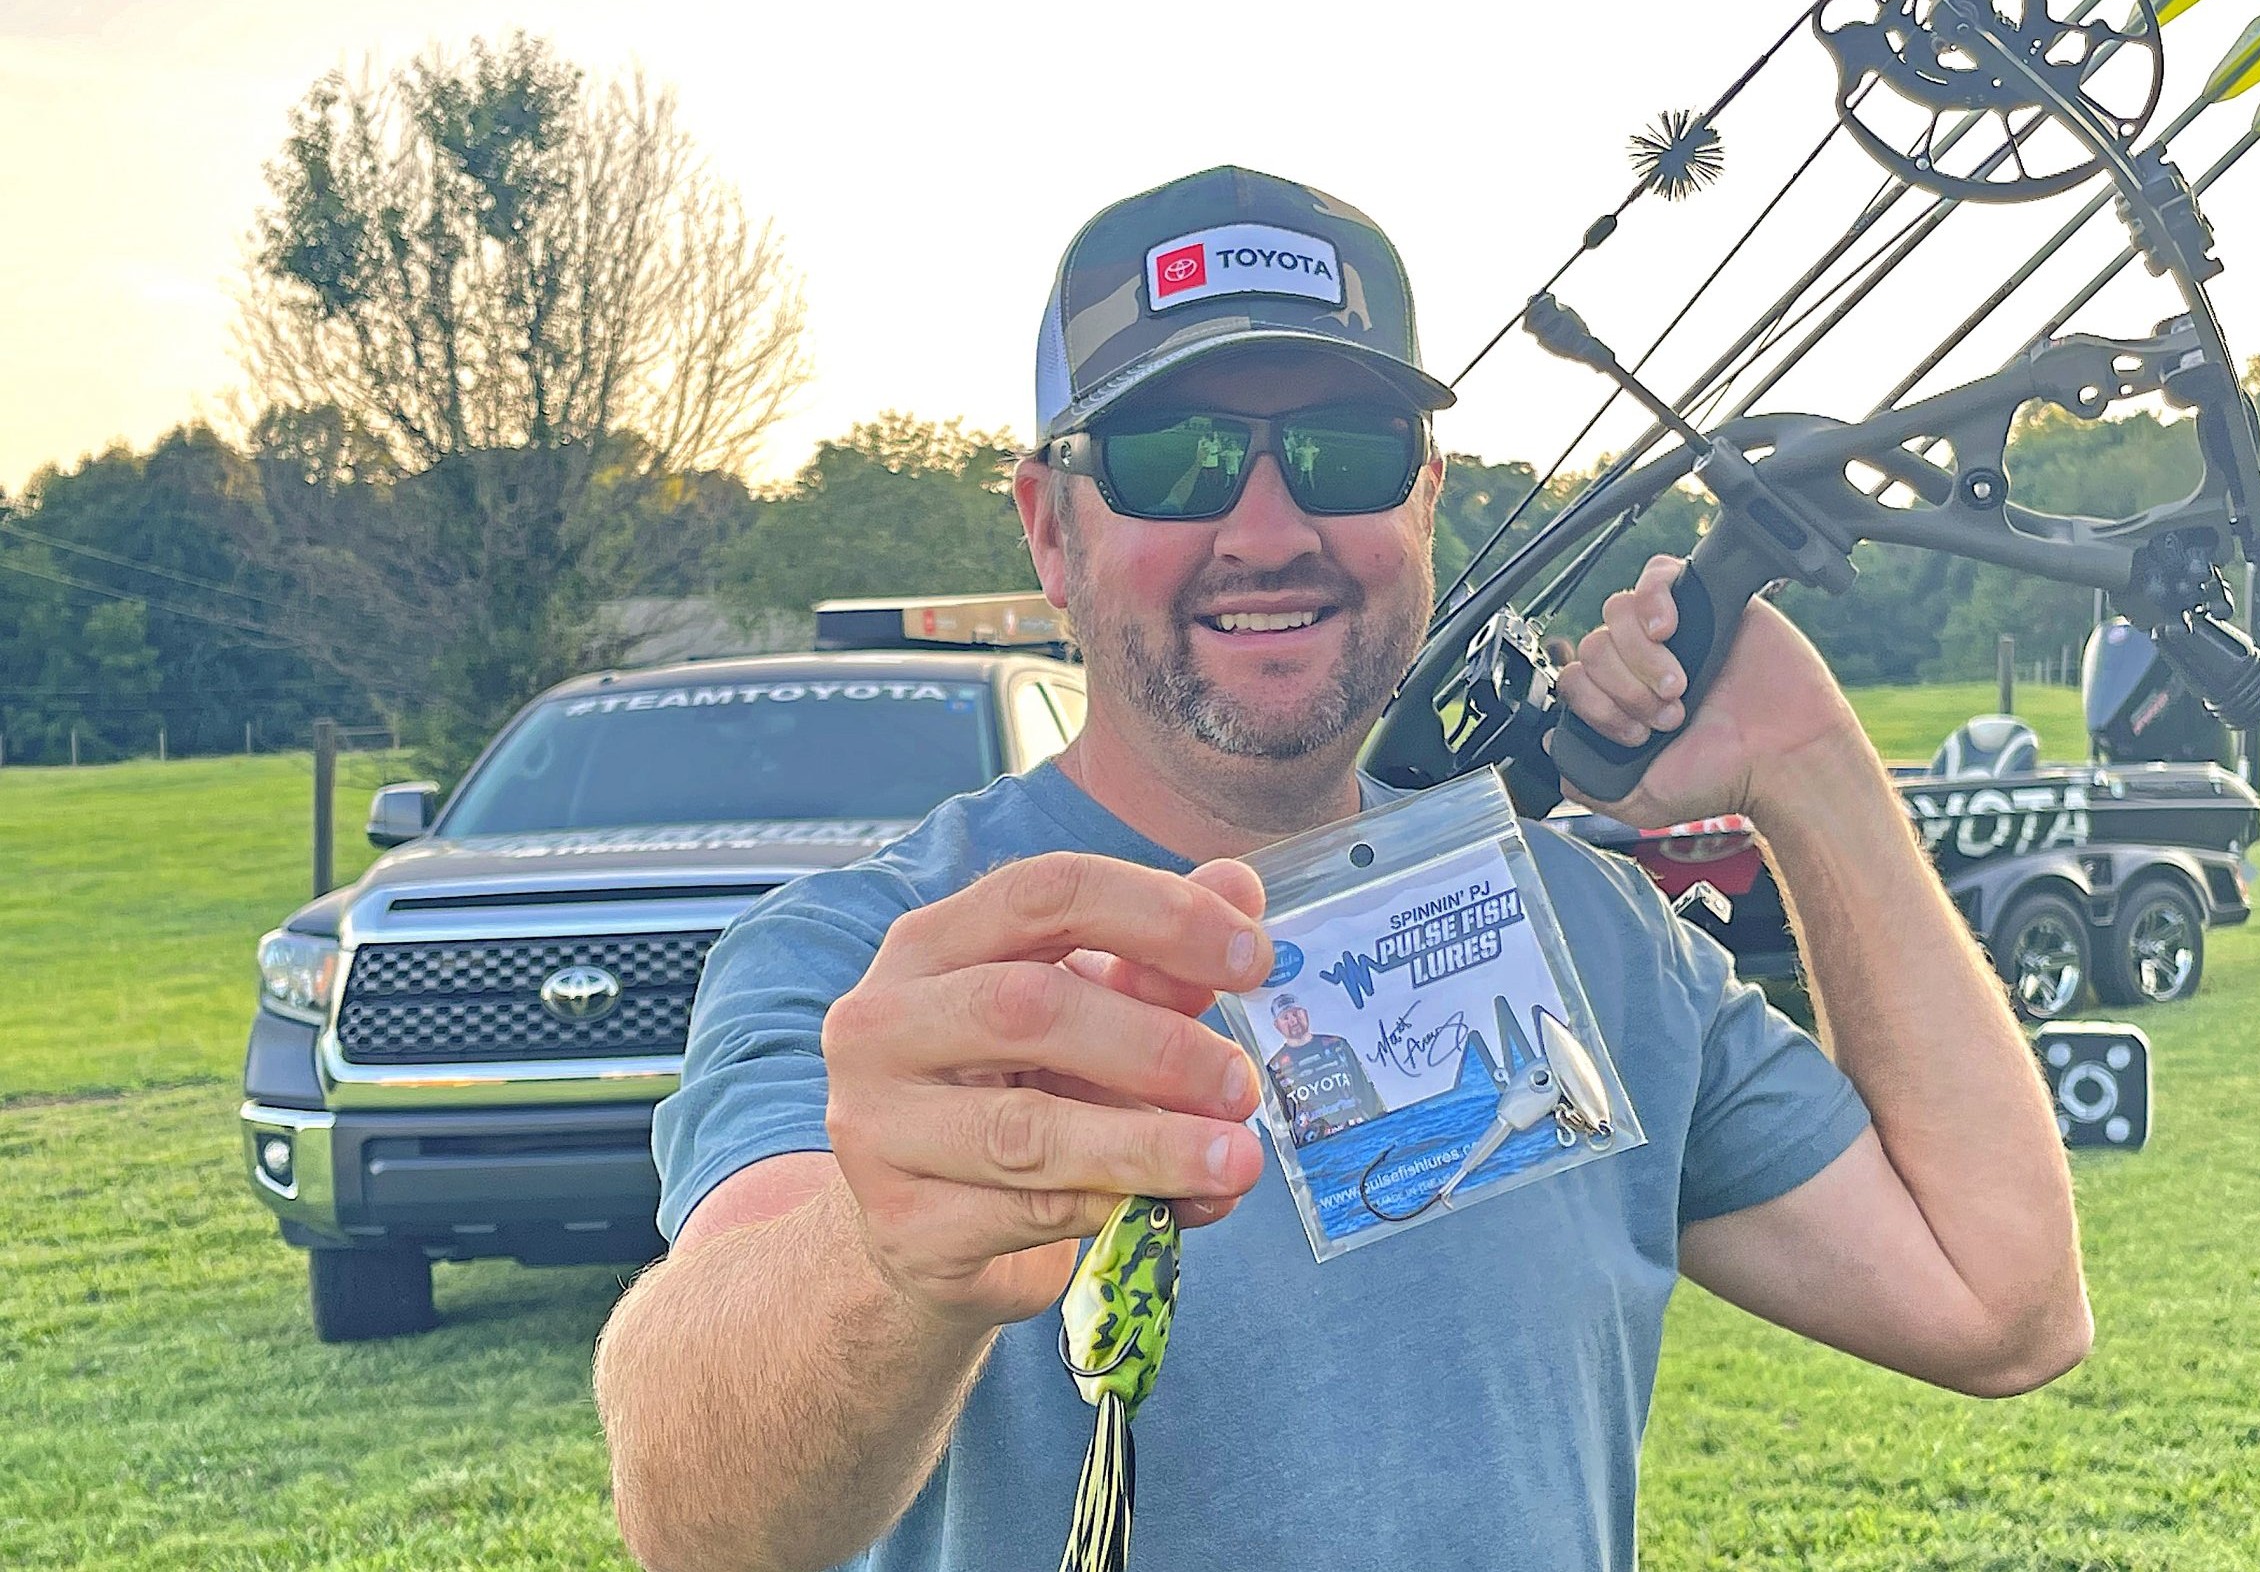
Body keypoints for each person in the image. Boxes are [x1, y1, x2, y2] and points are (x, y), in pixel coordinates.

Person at [593, 166, 2089, 1572]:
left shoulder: (1591, 929)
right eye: (1175, 458)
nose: (1267, 528)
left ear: (1422, 498)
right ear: (1052, 529)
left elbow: (2000, 1302)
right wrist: (886, 1259)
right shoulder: (877, 959)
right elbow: (691, 1510)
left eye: (1343, 451)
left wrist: (1811, 767)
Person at [1261, 992, 1384, 1144]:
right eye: (1285, 1017)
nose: (1293, 1020)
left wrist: (1382, 1125)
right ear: (1277, 1025)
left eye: (1296, 1013)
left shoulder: (1337, 1045)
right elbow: (1281, 1124)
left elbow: (1366, 1091)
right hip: (1317, 1148)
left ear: (1305, 1014)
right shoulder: (1275, 1068)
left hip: (1361, 1135)